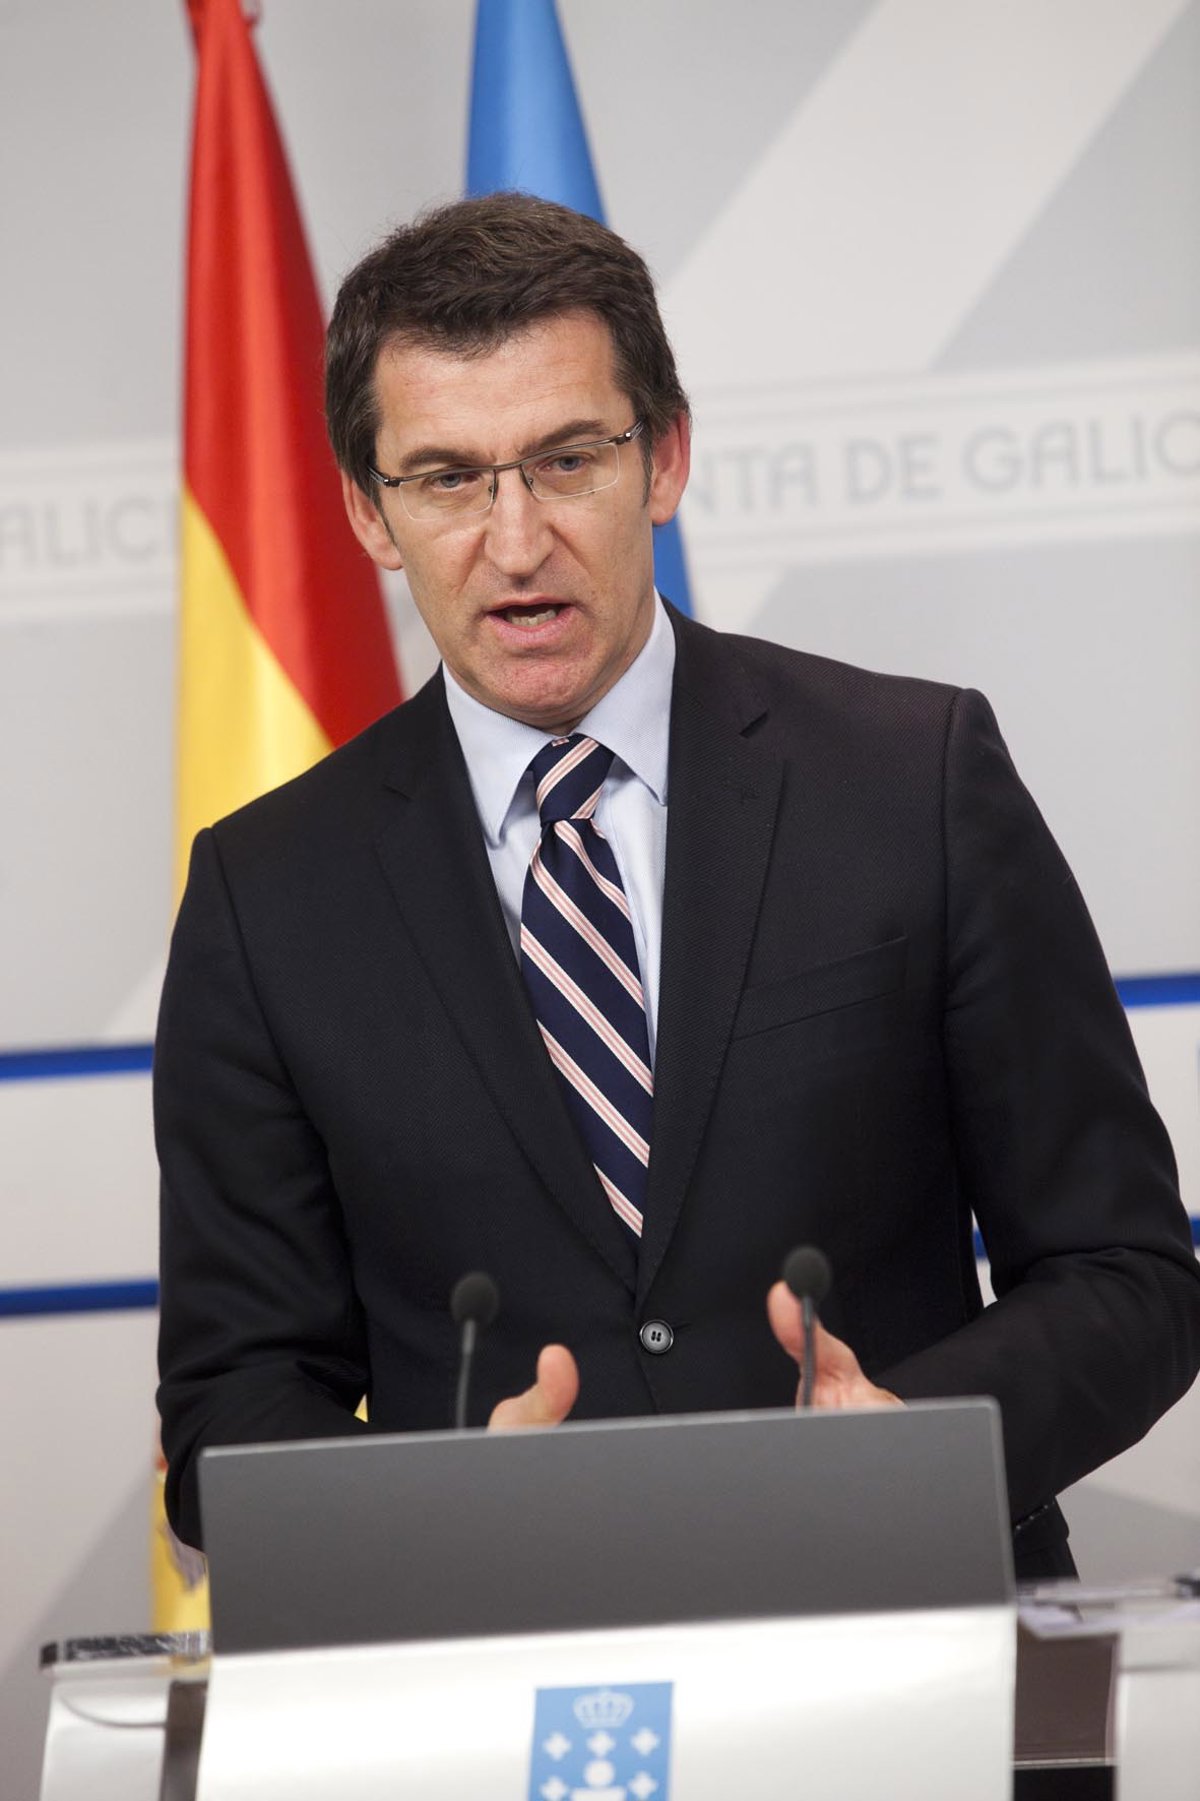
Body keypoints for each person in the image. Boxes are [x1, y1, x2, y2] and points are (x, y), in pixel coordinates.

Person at [156, 193, 1200, 1578]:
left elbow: (1126, 1272)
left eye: (566, 459)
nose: (515, 541)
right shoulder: (266, 895)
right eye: (449, 478)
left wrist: (919, 1441)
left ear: (665, 458)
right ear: (368, 510)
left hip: (910, 1621)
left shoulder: (914, 778)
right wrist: (432, 1511)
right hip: (502, 1662)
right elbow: (229, 1404)